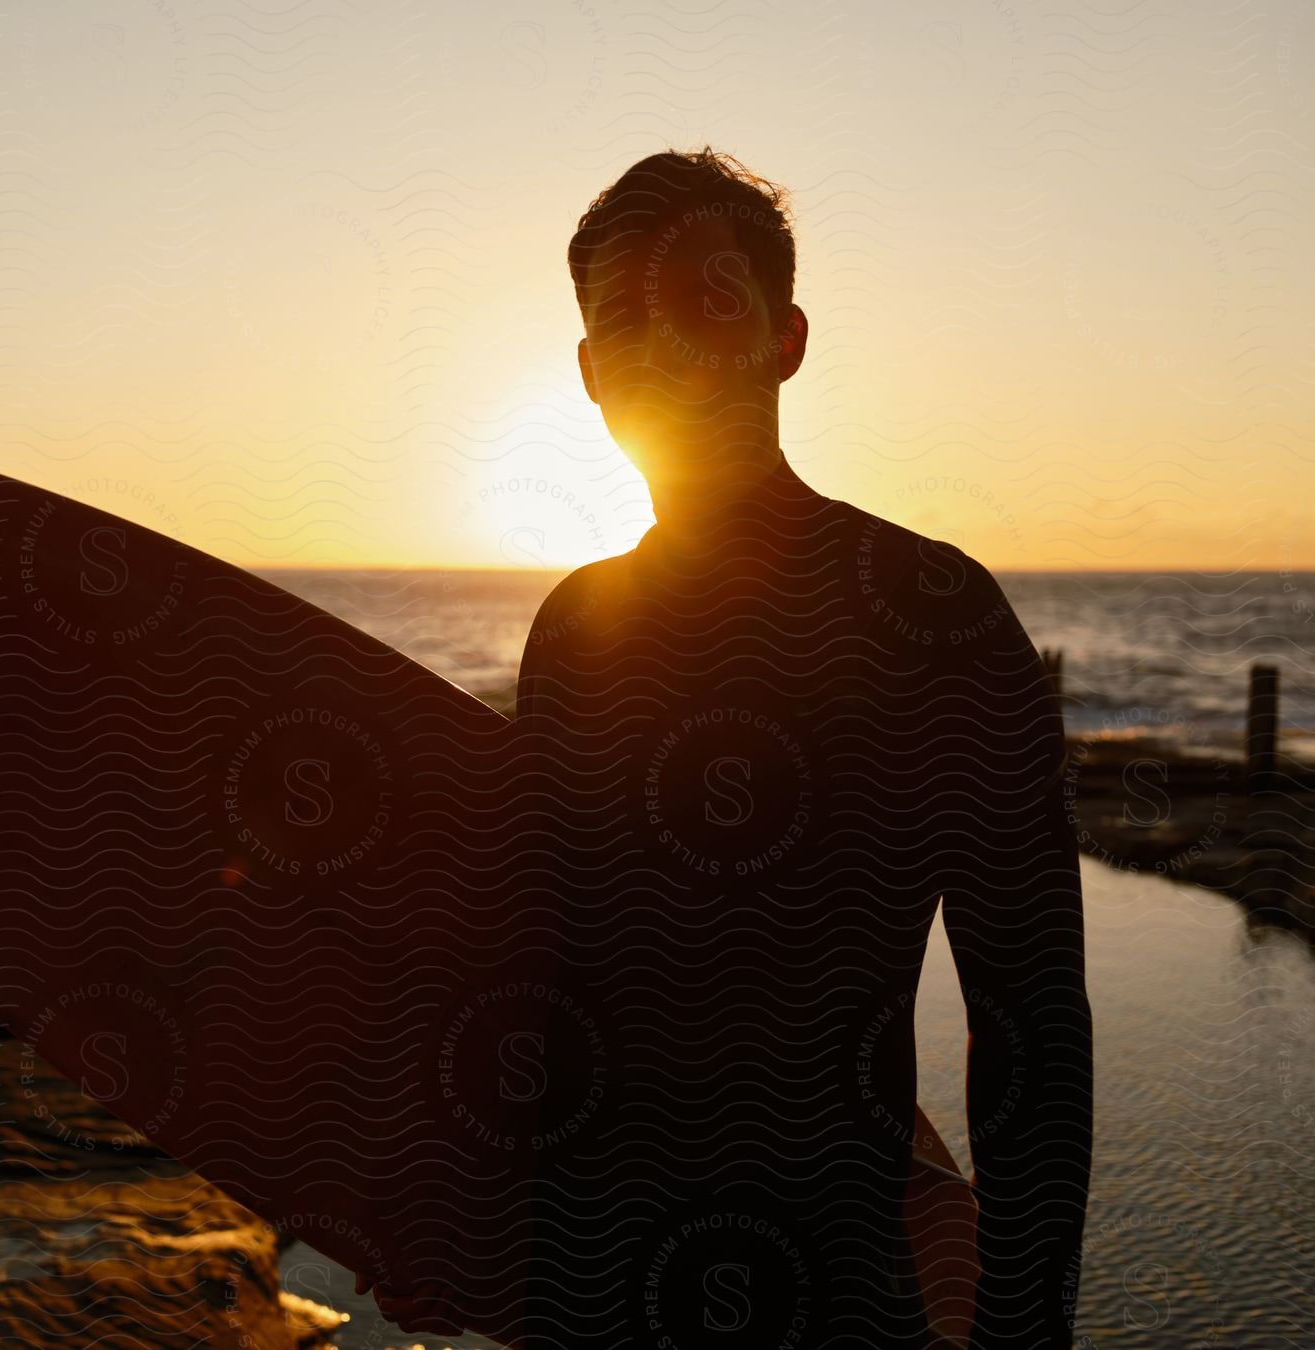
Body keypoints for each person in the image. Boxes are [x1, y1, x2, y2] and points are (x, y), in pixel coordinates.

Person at [375, 148, 1093, 1348]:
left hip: (839, 1291)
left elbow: (1030, 1019)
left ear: (786, 336)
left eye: (710, 298)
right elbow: (540, 970)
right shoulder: (574, 632)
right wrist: (437, 1208)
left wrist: (1024, 1332)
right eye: (625, 322)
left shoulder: (931, 616)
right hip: (589, 1289)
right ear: (593, 376)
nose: (668, 345)